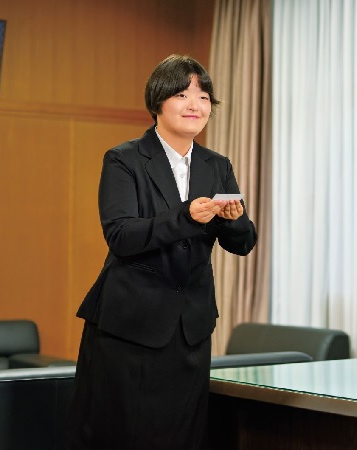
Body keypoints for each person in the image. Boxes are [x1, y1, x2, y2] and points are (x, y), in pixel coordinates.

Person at [67, 54, 257, 449]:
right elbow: (121, 235)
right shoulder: (124, 159)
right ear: (157, 101)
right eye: (182, 95)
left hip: (191, 328)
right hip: (130, 325)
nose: (195, 105)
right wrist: (186, 217)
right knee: (123, 435)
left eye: (203, 97)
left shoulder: (217, 165)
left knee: (185, 435)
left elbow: (242, 243)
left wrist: (235, 220)